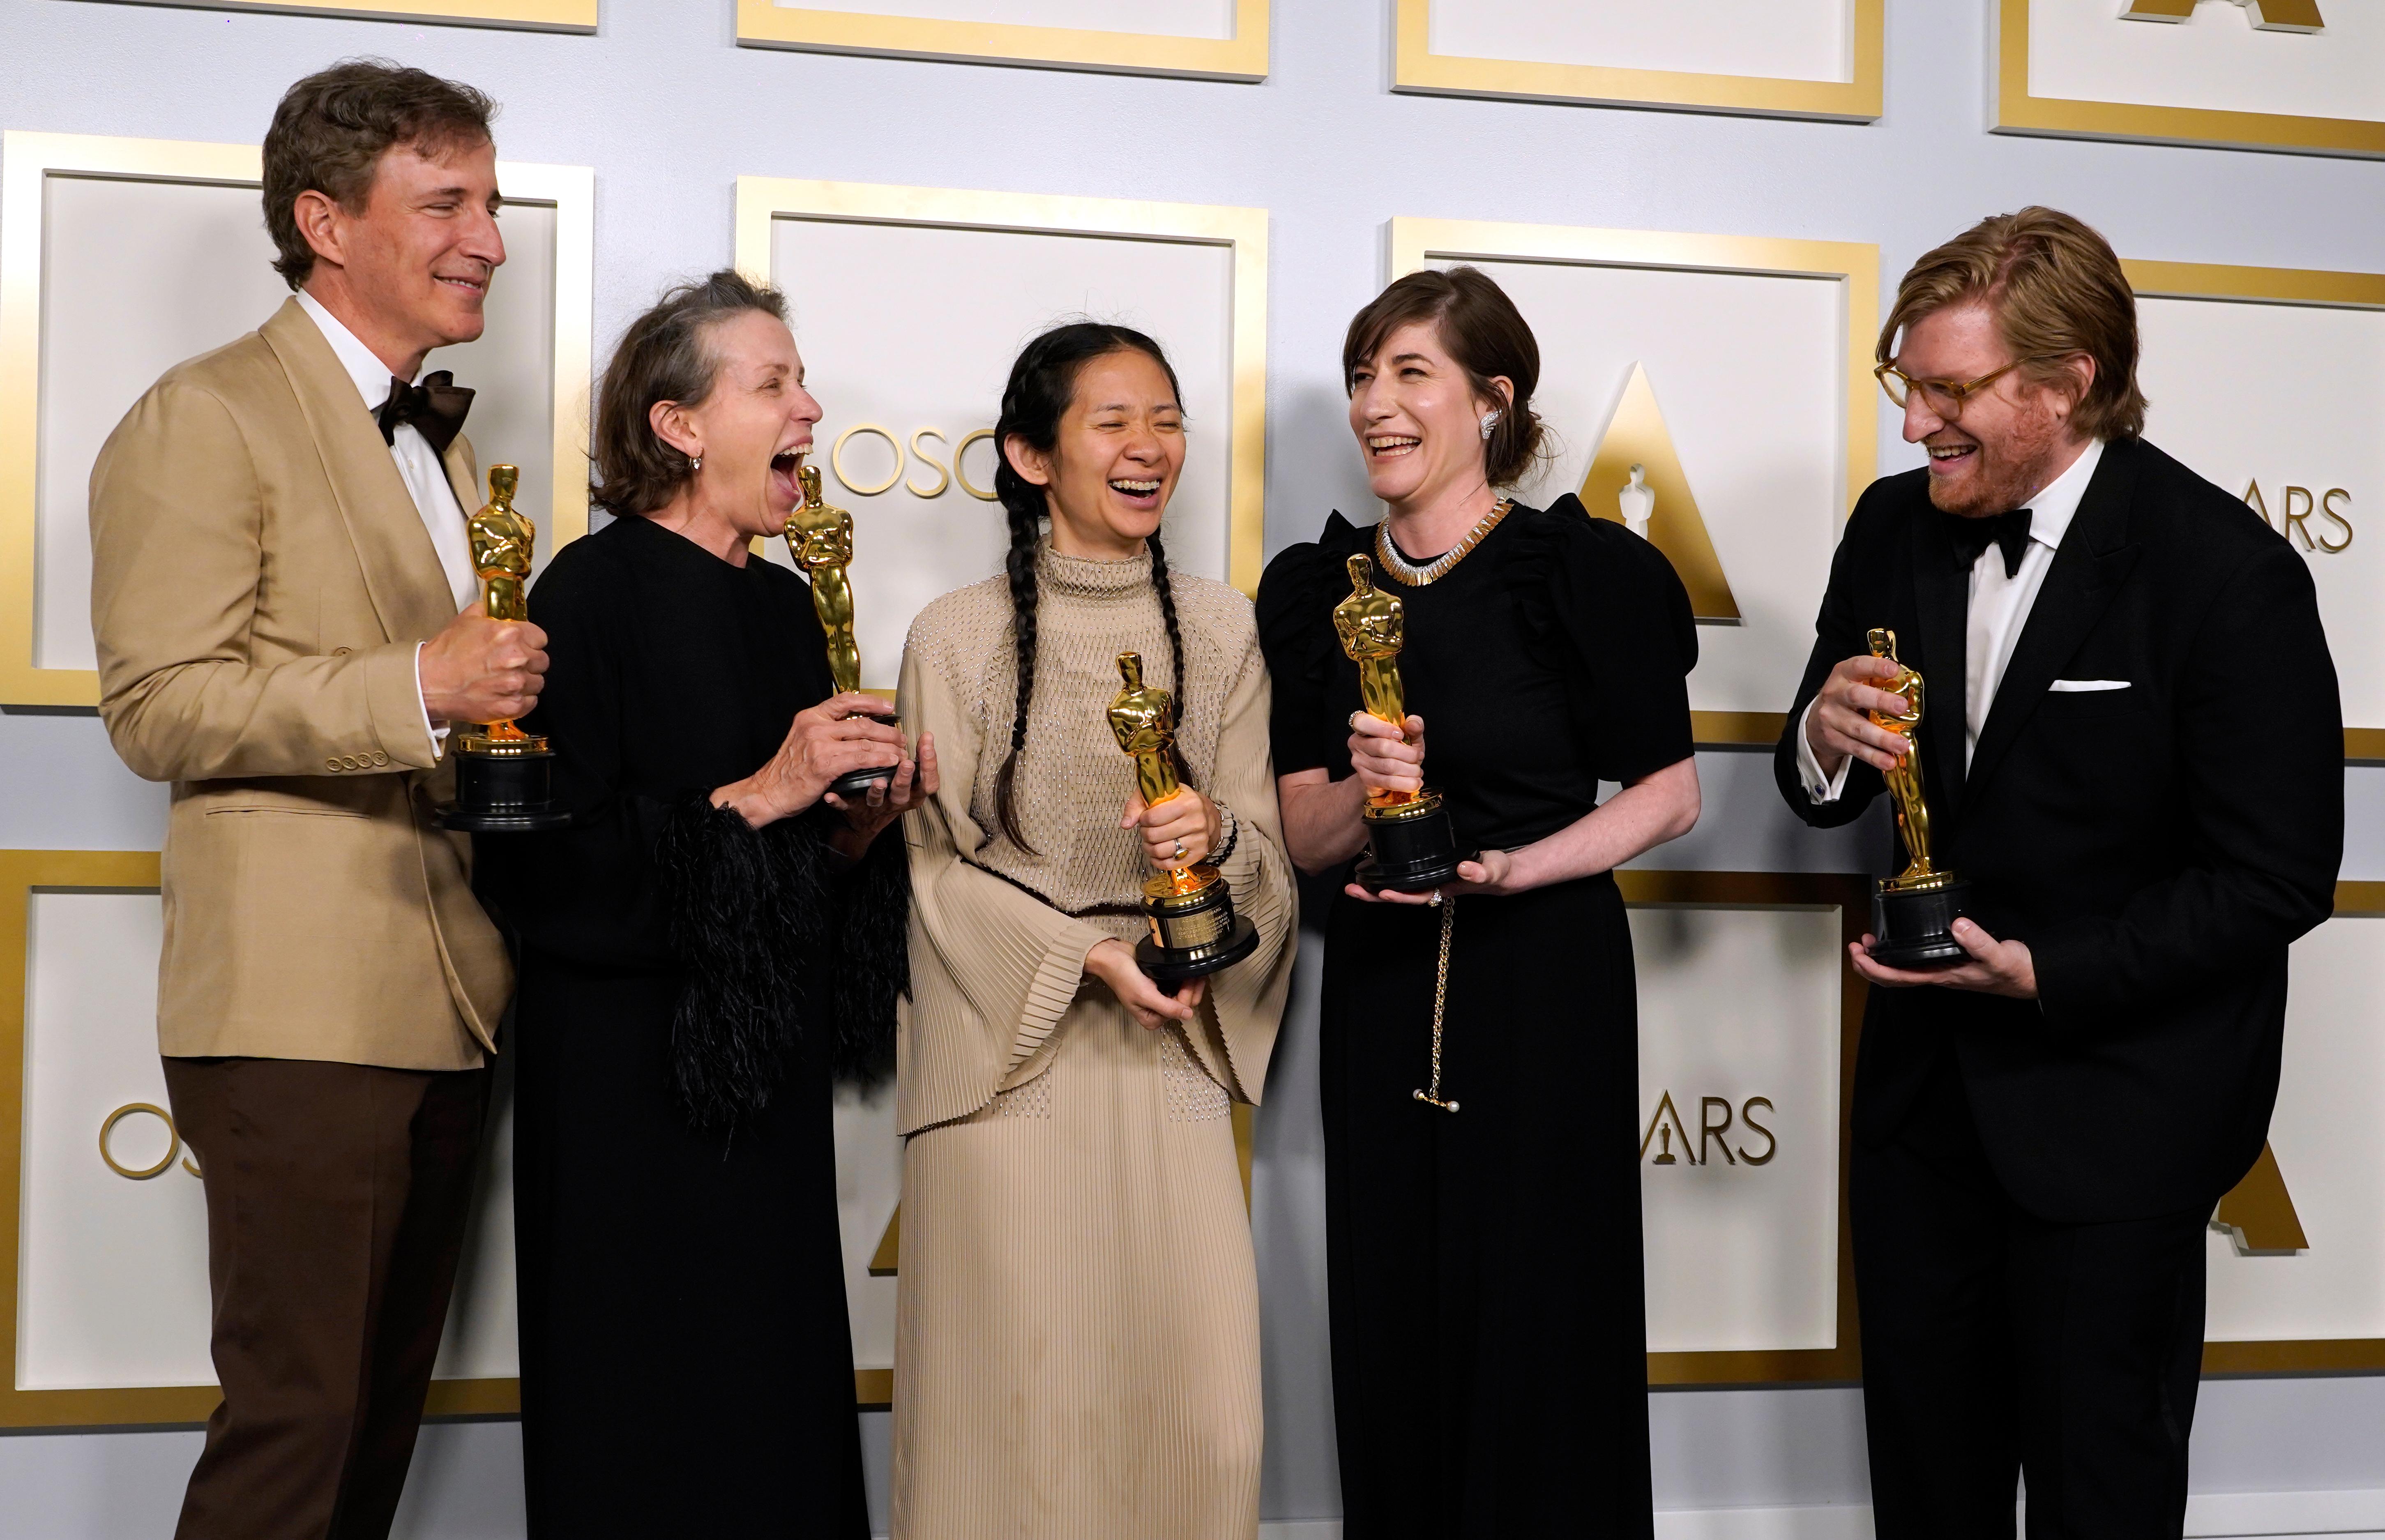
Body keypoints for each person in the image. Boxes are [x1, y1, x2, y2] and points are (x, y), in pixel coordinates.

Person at [1774, 207, 2342, 1537]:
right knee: (1927, 1496)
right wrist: (1819, 733)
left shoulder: (2226, 573)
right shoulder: (1892, 527)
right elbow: (1822, 780)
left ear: (2069, 381)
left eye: (1952, 392)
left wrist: (2050, 971)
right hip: (1921, 1121)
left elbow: (2278, 876)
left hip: (2117, 1124)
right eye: (1905, 386)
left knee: (2103, 1500)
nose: (1916, 425)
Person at [85, 63, 533, 1540]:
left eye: (491, 199)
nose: (490, 237)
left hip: (452, 1000)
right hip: (293, 1011)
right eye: (447, 202)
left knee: (373, 1439)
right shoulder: (202, 413)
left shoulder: (440, 441)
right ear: (325, 222)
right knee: (296, 1437)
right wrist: (418, 683)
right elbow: (159, 705)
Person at [1256, 267, 1701, 1538]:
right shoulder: (1316, 587)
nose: (1374, 406)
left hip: (1540, 978)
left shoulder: (1583, 570)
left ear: (1493, 401)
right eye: (1360, 376)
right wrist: (1369, 778)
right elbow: (1303, 828)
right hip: (1385, 995)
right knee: (1392, 1315)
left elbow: (1667, 797)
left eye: (1410, 374)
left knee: (1543, 1321)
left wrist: (1518, 866)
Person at [479, 271, 922, 1537]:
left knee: (771, 1403)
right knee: (641, 1416)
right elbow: (546, 867)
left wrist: (858, 827)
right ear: (678, 425)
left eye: (803, 380)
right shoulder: (586, 592)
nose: (811, 406)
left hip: (761, 1086)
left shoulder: (789, 605)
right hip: (622, 1097)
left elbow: (785, 874)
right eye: (774, 383)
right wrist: (770, 789)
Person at [892, 323, 1296, 1540]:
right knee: (1007, 1424)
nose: (1149, 446)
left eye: (1166, 418)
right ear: (1030, 454)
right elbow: (928, 868)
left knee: (1200, 1421)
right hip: (1006, 1074)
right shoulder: (954, 636)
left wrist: (1213, 836)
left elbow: (1270, 861)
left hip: (1171, 1061)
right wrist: (1082, 956)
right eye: (1112, 421)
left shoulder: (1222, 628)